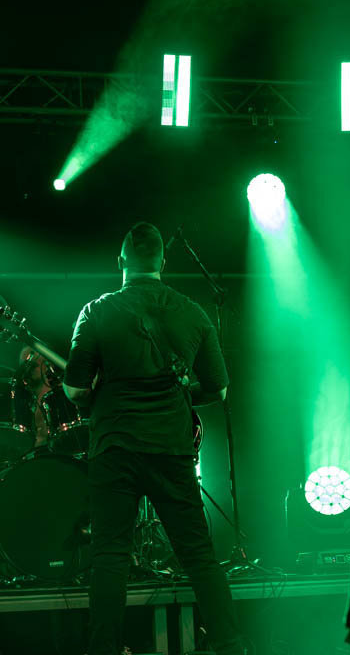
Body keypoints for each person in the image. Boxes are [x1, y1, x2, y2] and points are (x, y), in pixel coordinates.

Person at [63, 222, 245, 655]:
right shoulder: (193, 312)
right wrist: (180, 395)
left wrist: (104, 392)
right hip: (172, 449)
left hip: (115, 448)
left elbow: (74, 390)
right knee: (198, 555)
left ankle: (104, 650)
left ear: (120, 261)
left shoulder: (96, 311)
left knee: (110, 556)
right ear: (163, 261)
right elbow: (218, 390)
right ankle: (230, 645)